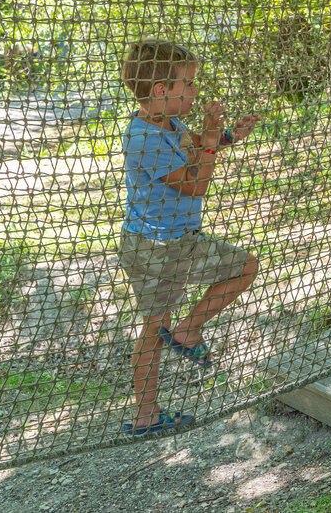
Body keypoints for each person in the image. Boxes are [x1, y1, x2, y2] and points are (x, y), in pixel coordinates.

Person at [117, 39, 261, 435]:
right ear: (162, 91)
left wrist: (223, 136)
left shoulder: (167, 124)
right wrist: (212, 145)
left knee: (152, 328)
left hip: (148, 243)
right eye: (190, 85)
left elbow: (194, 146)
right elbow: (196, 185)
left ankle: (145, 415)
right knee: (246, 267)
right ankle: (189, 329)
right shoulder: (144, 138)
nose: (196, 93)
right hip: (166, 247)